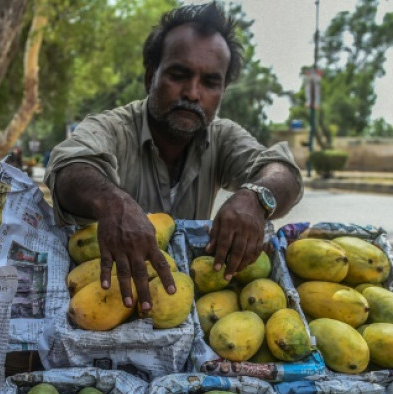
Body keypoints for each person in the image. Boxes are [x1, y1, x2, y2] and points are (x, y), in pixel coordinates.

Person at [45, 2, 303, 311]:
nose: (193, 93)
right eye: (179, 75)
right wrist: (113, 203)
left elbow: (283, 172)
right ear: (151, 77)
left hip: (179, 305)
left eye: (210, 82)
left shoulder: (221, 136)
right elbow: (70, 168)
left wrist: (256, 197)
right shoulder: (113, 128)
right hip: (105, 296)